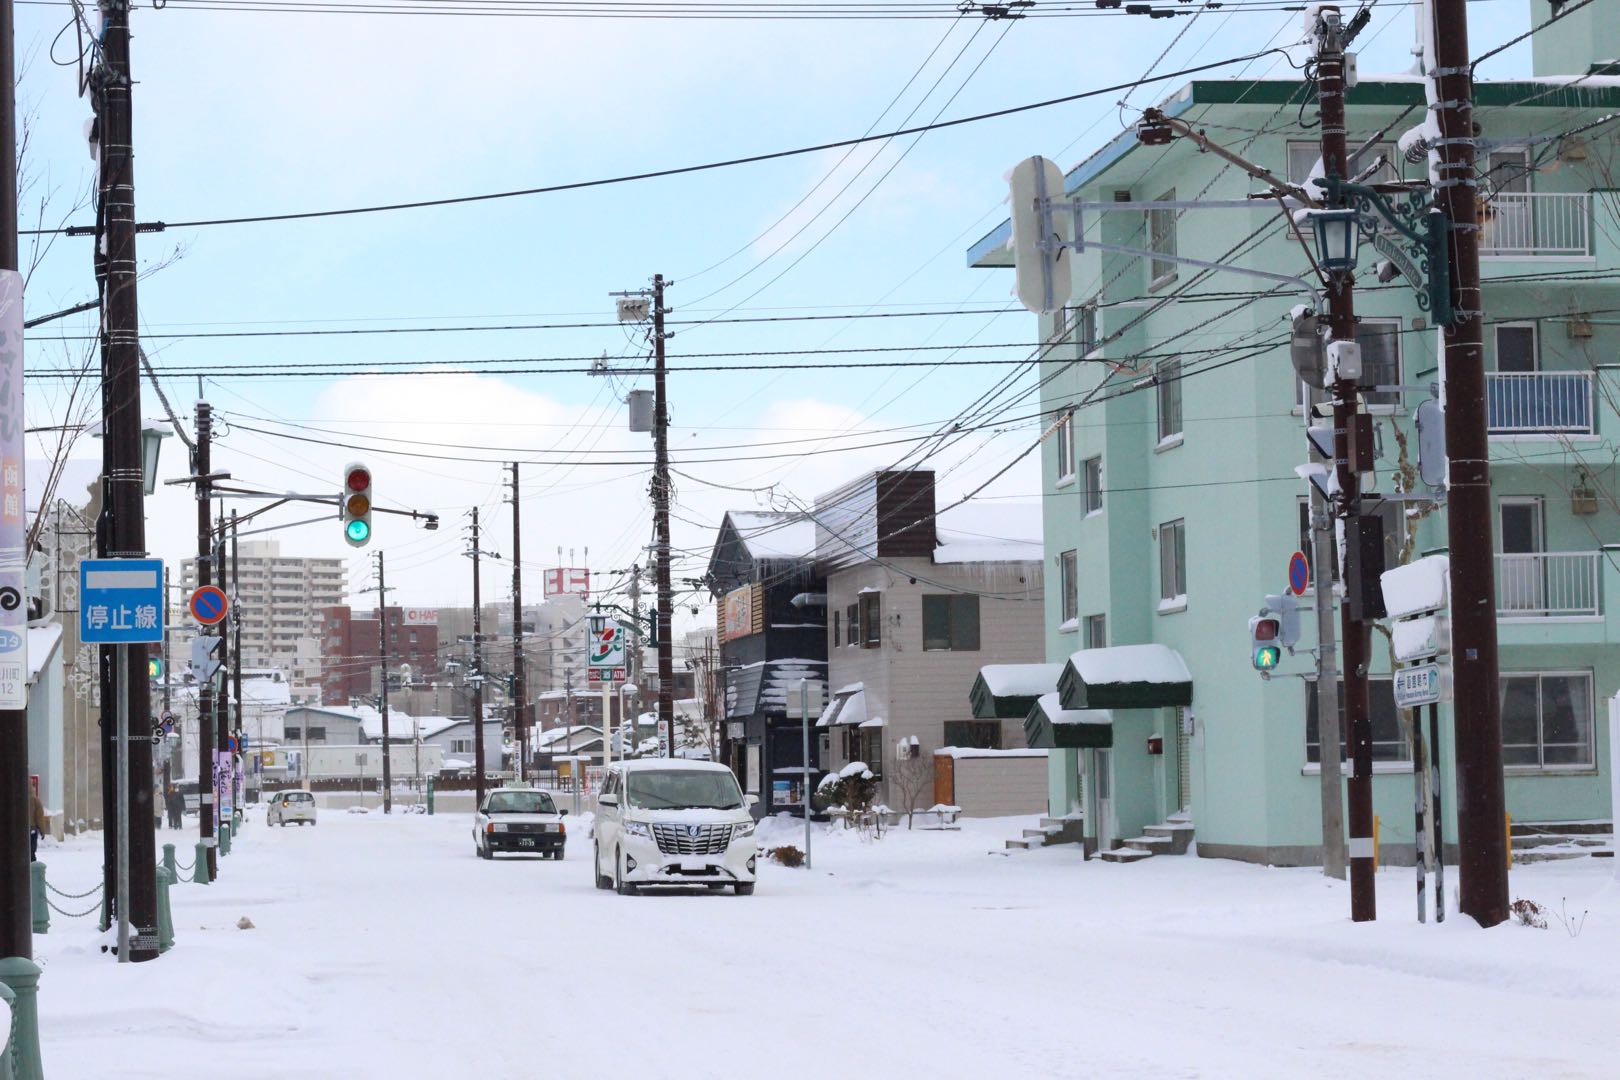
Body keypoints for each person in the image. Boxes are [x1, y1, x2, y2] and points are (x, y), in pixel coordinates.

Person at [30, 791, 47, 862]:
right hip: (31, 830)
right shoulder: (35, 800)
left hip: (17, 831)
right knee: (31, 853)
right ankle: (32, 869)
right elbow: (39, 817)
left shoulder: (14, 797)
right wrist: (42, 831)